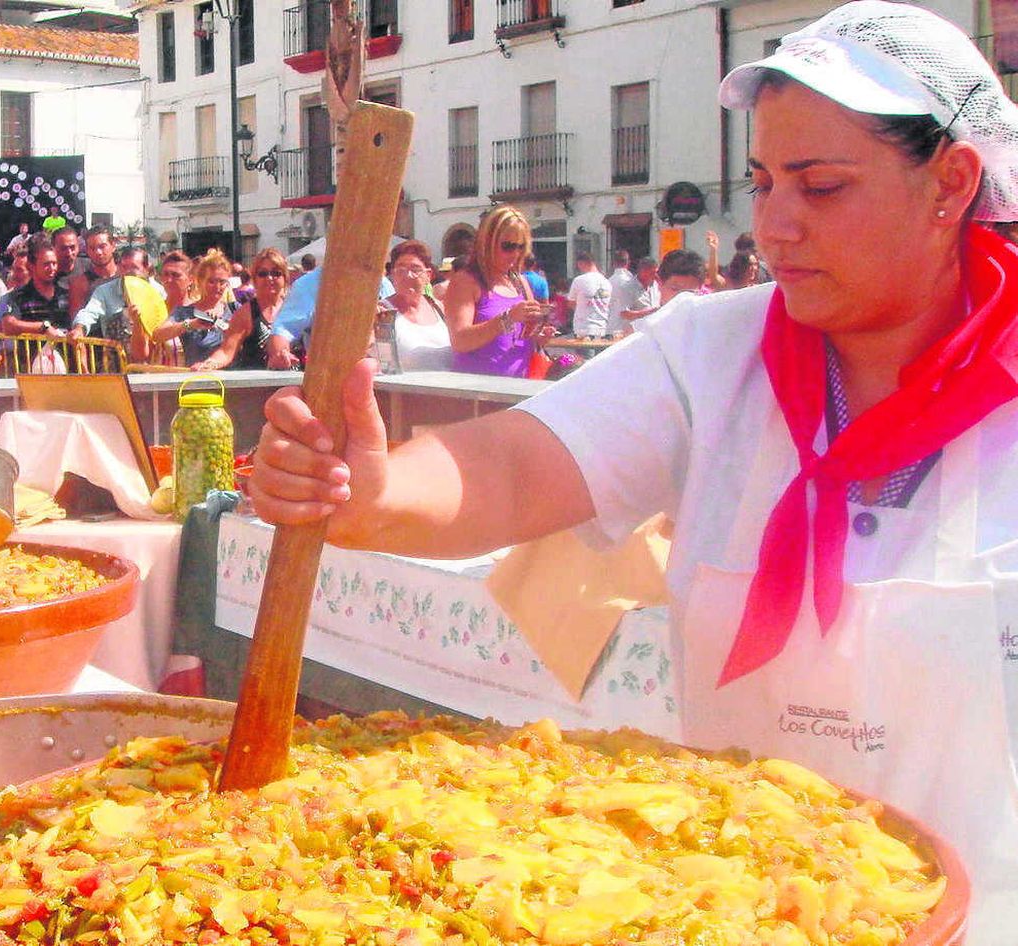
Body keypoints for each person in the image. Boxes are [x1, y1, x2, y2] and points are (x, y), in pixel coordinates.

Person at [249, 2, 1018, 936]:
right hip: (746, 910)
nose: (774, 225)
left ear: (951, 183)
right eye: (764, 180)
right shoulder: (709, 352)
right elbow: (512, 469)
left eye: (820, 188)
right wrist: (368, 490)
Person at [443, 206, 553, 377]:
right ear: (487, 242)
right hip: (475, 394)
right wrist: (507, 318)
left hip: (515, 391)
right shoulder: (465, 281)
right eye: (508, 246)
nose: (515, 254)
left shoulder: (520, 282)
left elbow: (524, 339)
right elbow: (459, 340)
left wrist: (539, 337)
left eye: (520, 247)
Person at [152, 248, 237, 368]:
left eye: (222, 282)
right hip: (197, 379)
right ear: (200, 281)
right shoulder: (184, 312)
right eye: (211, 281)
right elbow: (157, 334)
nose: (217, 287)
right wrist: (191, 324)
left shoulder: (235, 310)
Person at [382, 240, 452, 372]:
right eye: (401, 270)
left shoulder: (439, 308)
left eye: (415, 269)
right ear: (392, 274)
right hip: (404, 390)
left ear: (428, 275)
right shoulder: (382, 313)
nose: (408, 276)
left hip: (447, 389)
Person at [0, 240, 69, 337]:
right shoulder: (16, 296)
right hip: (31, 351)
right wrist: (43, 328)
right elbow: (8, 325)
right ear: (32, 266)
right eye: (46, 264)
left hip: (64, 351)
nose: (52, 268)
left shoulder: (66, 295)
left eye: (54, 263)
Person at [67, 225, 117, 322]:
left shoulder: (126, 277)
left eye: (102, 246)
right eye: (92, 248)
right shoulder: (80, 284)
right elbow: (76, 322)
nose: (98, 252)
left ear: (113, 246)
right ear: (87, 251)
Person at [567, 251, 613, 337]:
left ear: (581, 263)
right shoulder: (607, 282)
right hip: (602, 328)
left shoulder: (579, 280)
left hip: (583, 329)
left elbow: (571, 302)